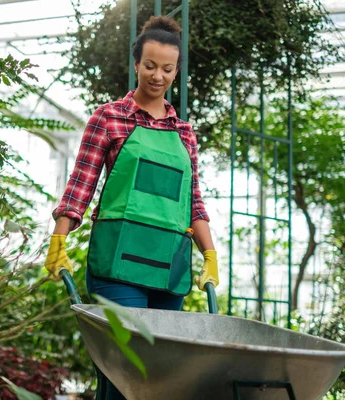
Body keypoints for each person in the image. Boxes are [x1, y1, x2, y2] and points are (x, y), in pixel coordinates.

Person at [44, 15, 219, 400]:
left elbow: (194, 203)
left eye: (168, 69)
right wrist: (58, 240)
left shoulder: (184, 133)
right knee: (124, 368)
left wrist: (209, 254)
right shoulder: (108, 118)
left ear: (176, 71)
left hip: (168, 265)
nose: (158, 76)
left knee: (160, 374)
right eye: (150, 66)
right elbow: (79, 189)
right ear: (137, 63)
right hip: (117, 263)